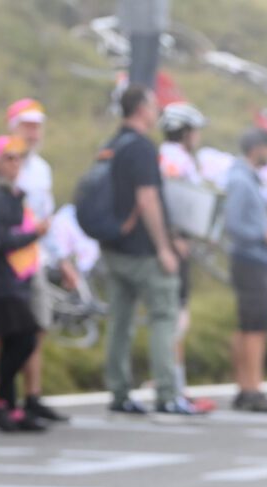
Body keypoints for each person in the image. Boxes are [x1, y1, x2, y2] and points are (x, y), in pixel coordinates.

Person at [0, 98, 69, 424]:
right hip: (6, 264)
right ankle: (0, 397)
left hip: (33, 260)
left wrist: (61, 258)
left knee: (34, 328)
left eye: (37, 125)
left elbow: (44, 218)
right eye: (27, 125)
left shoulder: (41, 168)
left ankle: (31, 397)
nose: (33, 131)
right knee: (9, 333)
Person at [102, 84, 195, 417]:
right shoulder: (140, 147)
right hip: (143, 251)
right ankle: (168, 394)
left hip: (114, 248)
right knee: (163, 317)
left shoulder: (113, 143)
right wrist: (165, 248)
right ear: (141, 109)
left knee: (121, 321)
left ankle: (118, 391)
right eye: (153, 106)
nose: (157, 112)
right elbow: (148, 199)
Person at [0, 135, 50, 432]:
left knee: (14, 342)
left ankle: (9, 404)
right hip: (1, 281)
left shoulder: (14, 195)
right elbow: (3, 240)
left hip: (17, 279)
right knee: (24, 339)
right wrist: (36, 233)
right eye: (9, 158)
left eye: (18, 158)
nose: (15, 164)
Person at [158, 101, 215, 414]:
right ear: (185, 131)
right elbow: (182, 204)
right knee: (177, 316)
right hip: (175, 243)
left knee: (171, 315)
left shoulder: (163, 155)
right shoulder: (178, 160)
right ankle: (174, 385)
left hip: (167, 241)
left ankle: (171, 381)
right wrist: (178, 237)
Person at [224, 127, 267, 413]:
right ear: (257, 147)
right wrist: (263, 234)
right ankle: (252, 389)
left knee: (248, 324)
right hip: (249, 259)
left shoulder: (246, 177)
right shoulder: (240, 179)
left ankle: (246, 387)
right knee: (255, 326)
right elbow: (234, 224)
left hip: (251, 260)